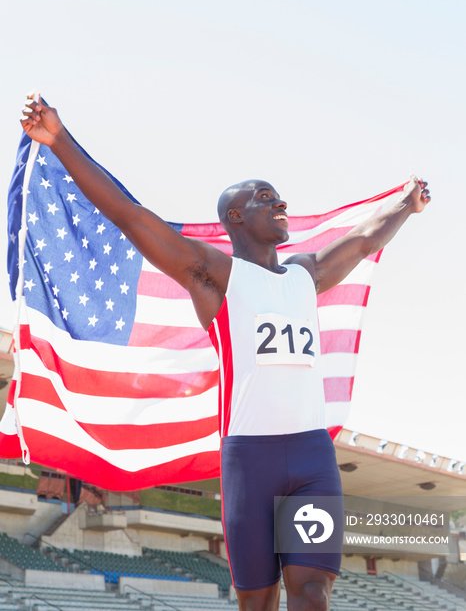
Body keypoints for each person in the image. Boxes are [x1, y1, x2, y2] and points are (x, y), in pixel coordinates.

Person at [21, 95, 430, 611]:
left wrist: (405, 204)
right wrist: (59, 140)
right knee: (256, 603)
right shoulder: (213, 276)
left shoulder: (307, 275)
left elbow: (365, 239)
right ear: (235, 216)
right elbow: (131, 217)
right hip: (249, 461)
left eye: (280, 197)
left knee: (311, 594)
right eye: (266, 198)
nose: (282, 204)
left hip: (311, 459)